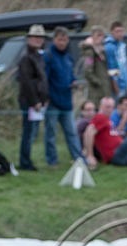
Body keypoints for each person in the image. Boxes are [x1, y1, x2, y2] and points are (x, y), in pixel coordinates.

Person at [43, 26, 84, 167]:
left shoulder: (68, 57)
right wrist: (46, 97)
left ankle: (79, 159)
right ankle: (52, 161)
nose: (62, 43)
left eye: (65, 40)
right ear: (54, 40)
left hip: (67, 102)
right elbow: (44, 79)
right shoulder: (48, 56)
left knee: (72, 133)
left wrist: (74, 82)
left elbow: (71, 75)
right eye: (60, 39)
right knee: (51, 134)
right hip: (53, 102)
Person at [17, 24, 49, 171]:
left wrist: (43, 98)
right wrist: (34, 101)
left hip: (38, 100)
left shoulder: (38, 56)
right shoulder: (26, 57)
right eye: (35, 37)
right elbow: (26, 82)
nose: (37, 40)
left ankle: (27, 160)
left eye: (40, 37)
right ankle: (25, 162)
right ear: (29, 39)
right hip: (29, 101)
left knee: (32, 132)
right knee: (28, 132)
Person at [80, 25, 112, 107]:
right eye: (98, 35)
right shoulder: (90, 52)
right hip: (96, 92)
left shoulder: (102, 51)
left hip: (104, 90)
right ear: (92, 37)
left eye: (102, 36)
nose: (100, 38)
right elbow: (87, 71)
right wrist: (98, 82)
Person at [104, 21, 127, 98]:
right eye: (117, 31)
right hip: (117, 87)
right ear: (112, 32)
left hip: (124, 85)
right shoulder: (109, 47)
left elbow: (124, 67)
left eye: (122, 31)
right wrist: (117, 90)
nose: (120, 34)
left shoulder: (122, 46)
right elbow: (112, 69)